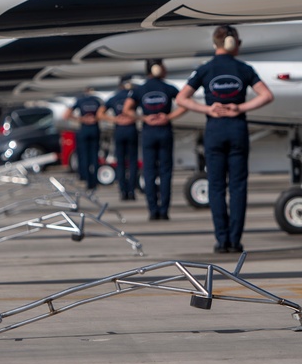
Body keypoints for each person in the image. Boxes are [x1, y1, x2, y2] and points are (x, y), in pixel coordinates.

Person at [176, 26, 274, 252]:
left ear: (215, 44)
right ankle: (235, 240)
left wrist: (207, 109)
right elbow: (267, 95)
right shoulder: (244, 68)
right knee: (238, 187)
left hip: (215, 131)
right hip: (237, 129)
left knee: (217, 187)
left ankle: (222, 241)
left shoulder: (205, 69)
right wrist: (239, 107)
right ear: (233, 44)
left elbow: (182, 99)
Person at [125, 60, 186, 220]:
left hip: (148, 133)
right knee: (165, 173)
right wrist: (169, 117)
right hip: (164, 131)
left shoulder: (139, 89)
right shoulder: (169, 88)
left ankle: (153, 210)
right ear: (158, 68)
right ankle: (164, 211)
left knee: (149, 172)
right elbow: (184, 104)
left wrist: (144, 117)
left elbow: (127, 109)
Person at [98, 75, 140, 201]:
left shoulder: (114, 98)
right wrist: (135, 117)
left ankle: (123, 191)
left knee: (120, 162)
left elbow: (100, 114)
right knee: (132, 162)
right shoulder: (134, 96)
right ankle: (132, 191)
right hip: (131, 129)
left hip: (119, 130)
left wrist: (114, 119)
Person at [64, 87, 103, 190]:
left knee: (83, 156)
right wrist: (94, 119)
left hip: (84, 130)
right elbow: (102, 114)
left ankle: (86, 179)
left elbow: (67, 115)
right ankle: (94, 180)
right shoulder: (97, 101)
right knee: (94, 156)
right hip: (94, 130)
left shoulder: (79, 100)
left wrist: (82, 119)